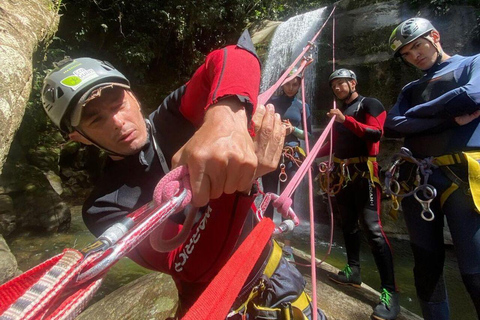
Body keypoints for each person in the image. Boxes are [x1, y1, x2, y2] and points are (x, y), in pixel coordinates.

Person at [41, 32, 327, 320]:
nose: (117, 122)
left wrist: (225, 117)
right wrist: (240, 181)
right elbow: (189, 264)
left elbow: (234, 56)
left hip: (274, 274)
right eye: (95, 118)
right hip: (213, 306)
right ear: (79, 137)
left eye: (117, 102)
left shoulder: (176, 115)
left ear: (133, 96)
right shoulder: (104, 206)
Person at [386, 17, 480, 319]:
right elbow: (392, 124)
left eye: (418, 46)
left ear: (435, 36)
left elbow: (472, 96)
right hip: (419, 179)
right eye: (408, 53)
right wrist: (449, 119)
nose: (415, 55)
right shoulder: (411, 88)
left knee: (474, 267)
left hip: (464, 177)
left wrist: (417, 118)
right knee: (426, 266)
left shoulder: (472, 64)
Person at [317, 68, 400, 320]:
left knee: (372, 228)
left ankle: (390, 293)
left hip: (365, 171)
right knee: (348, 224)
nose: (337, 89)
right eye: (333, 86)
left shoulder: (369, 104)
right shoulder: (340, 114)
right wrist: (305, 145)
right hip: (342, 173)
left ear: (353, 83)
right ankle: (353, 270)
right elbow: (330, 144)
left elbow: (376, 133)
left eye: (341, 84)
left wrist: (345, 121)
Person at [262, 68, 312, 261]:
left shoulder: (302, 106)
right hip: (270, 155)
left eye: (295, 84)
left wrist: (294, 130)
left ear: (300, 84)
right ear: (282, 82)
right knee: (267, 197)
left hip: (290, 158)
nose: (290, 88)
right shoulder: (271, 102)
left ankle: (287, 246)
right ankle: (264, 239)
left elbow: (309, 135)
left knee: (285, 201)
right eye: (287, 83)